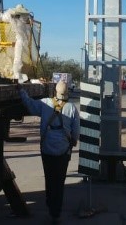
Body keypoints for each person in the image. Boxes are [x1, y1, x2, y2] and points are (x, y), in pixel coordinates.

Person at [19, 80, 80, 224]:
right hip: (63, 151)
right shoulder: (71, 108)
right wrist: (72, 142)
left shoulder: (45, 103)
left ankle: (50, 204)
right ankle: (55, 212)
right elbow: (76, 132)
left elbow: (29, 104)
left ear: (55, 92)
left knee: (49, 178)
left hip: (47, 149)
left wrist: (21, 90)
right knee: (59, 181)